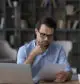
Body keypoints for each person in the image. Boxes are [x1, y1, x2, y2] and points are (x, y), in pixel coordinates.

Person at [17, 16, 72, 83]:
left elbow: (69, 71)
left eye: (50, 35)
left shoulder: (59, 49)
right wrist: (33, 54)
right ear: (36, 31)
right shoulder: (23, 50)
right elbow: (19, 75)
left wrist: (66, 75)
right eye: (43, 34)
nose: (46, 39)